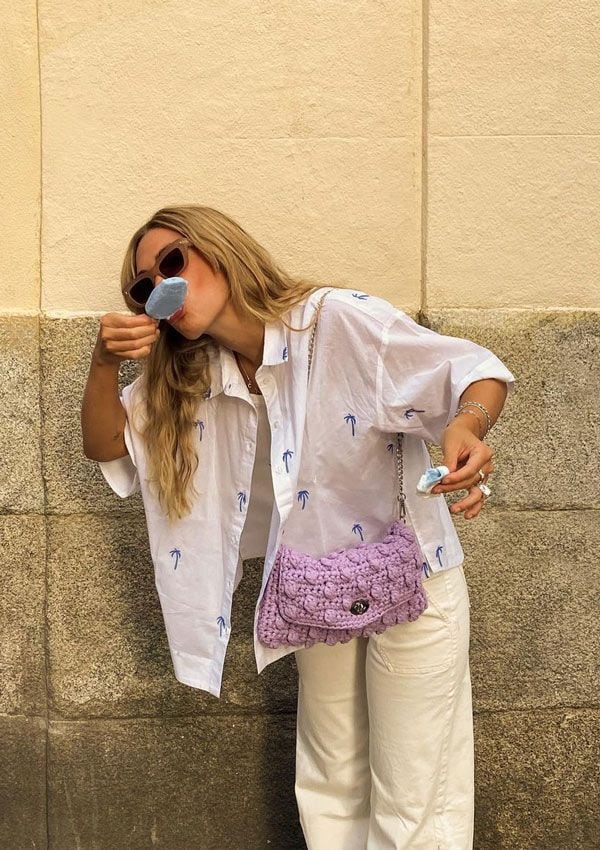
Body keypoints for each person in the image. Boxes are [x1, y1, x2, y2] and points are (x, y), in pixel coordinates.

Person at [81, 204, 516, 850]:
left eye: (172, 262)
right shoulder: (192, 376)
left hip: (412, 580)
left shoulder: (337, 321)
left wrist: (465, 425)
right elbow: (107, 444)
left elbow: (474, 371)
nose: (161, 289)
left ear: (219, 249)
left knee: (414, 791)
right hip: (316, 587)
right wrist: (101, 361)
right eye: (144, 287)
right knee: (330, 779)